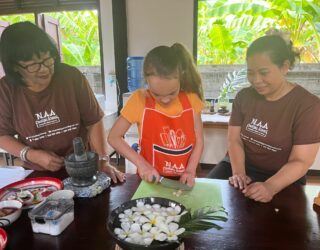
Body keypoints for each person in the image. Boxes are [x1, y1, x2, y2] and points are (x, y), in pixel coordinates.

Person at [0, 21, 125, 183]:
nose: (44, 69)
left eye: (47, 60)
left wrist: (103, 160)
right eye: (33, 65)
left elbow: (93, 121)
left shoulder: (71, 77)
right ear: (15, 67)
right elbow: (2, 134)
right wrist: (32, 154)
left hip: (83, 167)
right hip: (39, 173)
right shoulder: (6, 90)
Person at [207, 34, 320, 202]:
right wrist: (239, 173)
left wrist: (270, 186)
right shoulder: (244, 97)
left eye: (263, 72)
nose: (256, 80)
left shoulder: (308, 106)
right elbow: (234, 140)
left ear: (284, 67)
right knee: (206, 201)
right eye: (250, 73)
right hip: (240, 167)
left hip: (283, 176)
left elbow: (300, 161)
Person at [108, 43, 204, 187]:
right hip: (151, 179)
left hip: (184, 179)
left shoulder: (191, 99)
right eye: (157, 94)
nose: (165, 100)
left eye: (172, 93)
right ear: (147, 81)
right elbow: (113, 137)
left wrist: (190, 170)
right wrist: (142, 165)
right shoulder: (139, 100)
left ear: (181, 77)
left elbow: (199, 140)